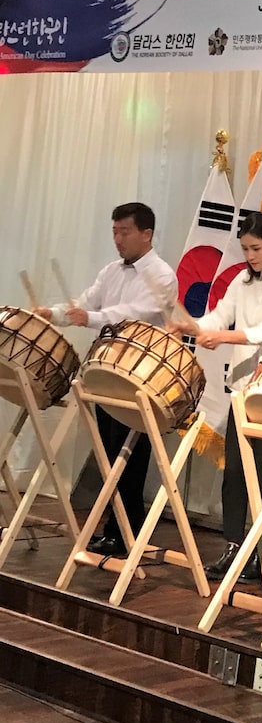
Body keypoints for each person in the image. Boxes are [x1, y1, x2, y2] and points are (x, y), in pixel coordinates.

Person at [171, 212, 262, 583]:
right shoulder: (242, 280)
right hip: (243, 389)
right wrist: (194, 326)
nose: (249, 255)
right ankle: (233, 546)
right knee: (234, 474)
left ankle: (260, 554)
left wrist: (226, 338)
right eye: (245, 248)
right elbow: (220, 317)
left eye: (256, 248)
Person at [37, 202, 176, 557]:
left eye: (124, 232)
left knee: (129, 456)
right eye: (114, 232)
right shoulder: (111, 271)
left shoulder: (162, 275)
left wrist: (92, 317)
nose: (118, 239)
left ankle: (128, 532)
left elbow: (135, 314)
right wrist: (52, 314)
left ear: (146, 234)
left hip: (140, 377)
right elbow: (84, 304)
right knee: (108, 454)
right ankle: (115, 529)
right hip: (106, 372)